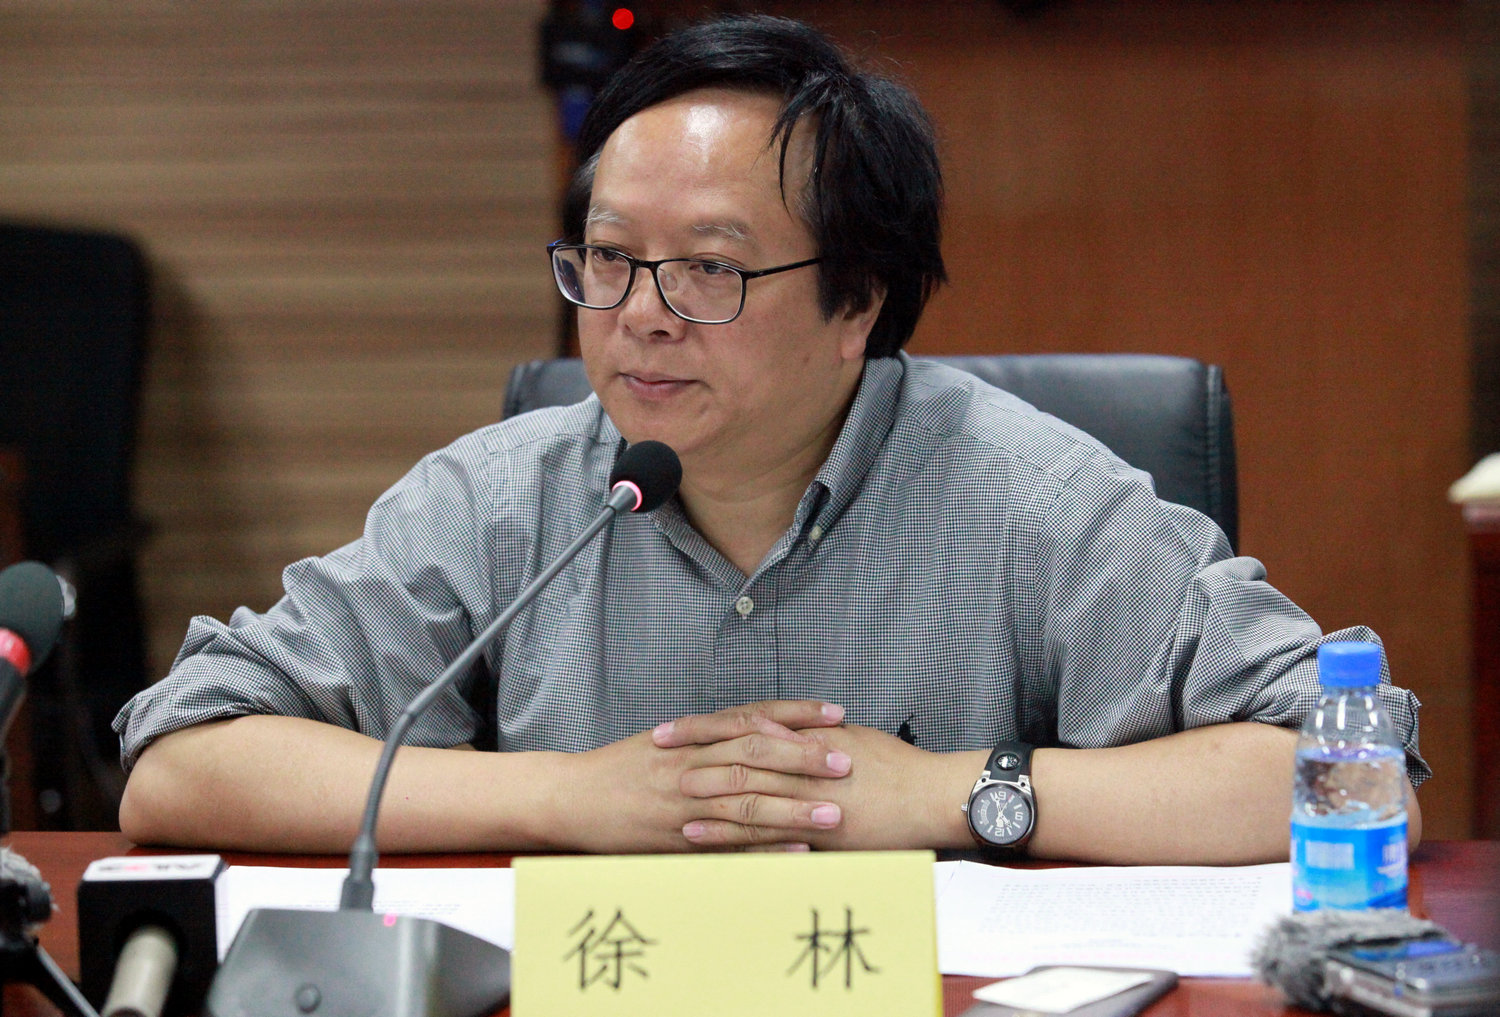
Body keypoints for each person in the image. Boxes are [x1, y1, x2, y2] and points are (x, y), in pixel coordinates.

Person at [116, 14, 1426, 861]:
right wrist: (564, 798)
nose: (639, 316)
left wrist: (951, 794)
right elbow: (180, 762)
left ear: (858, 302)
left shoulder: (1031, 499)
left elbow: (1359, 776)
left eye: (710, 269)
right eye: (609, 258)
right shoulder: (503, 497)